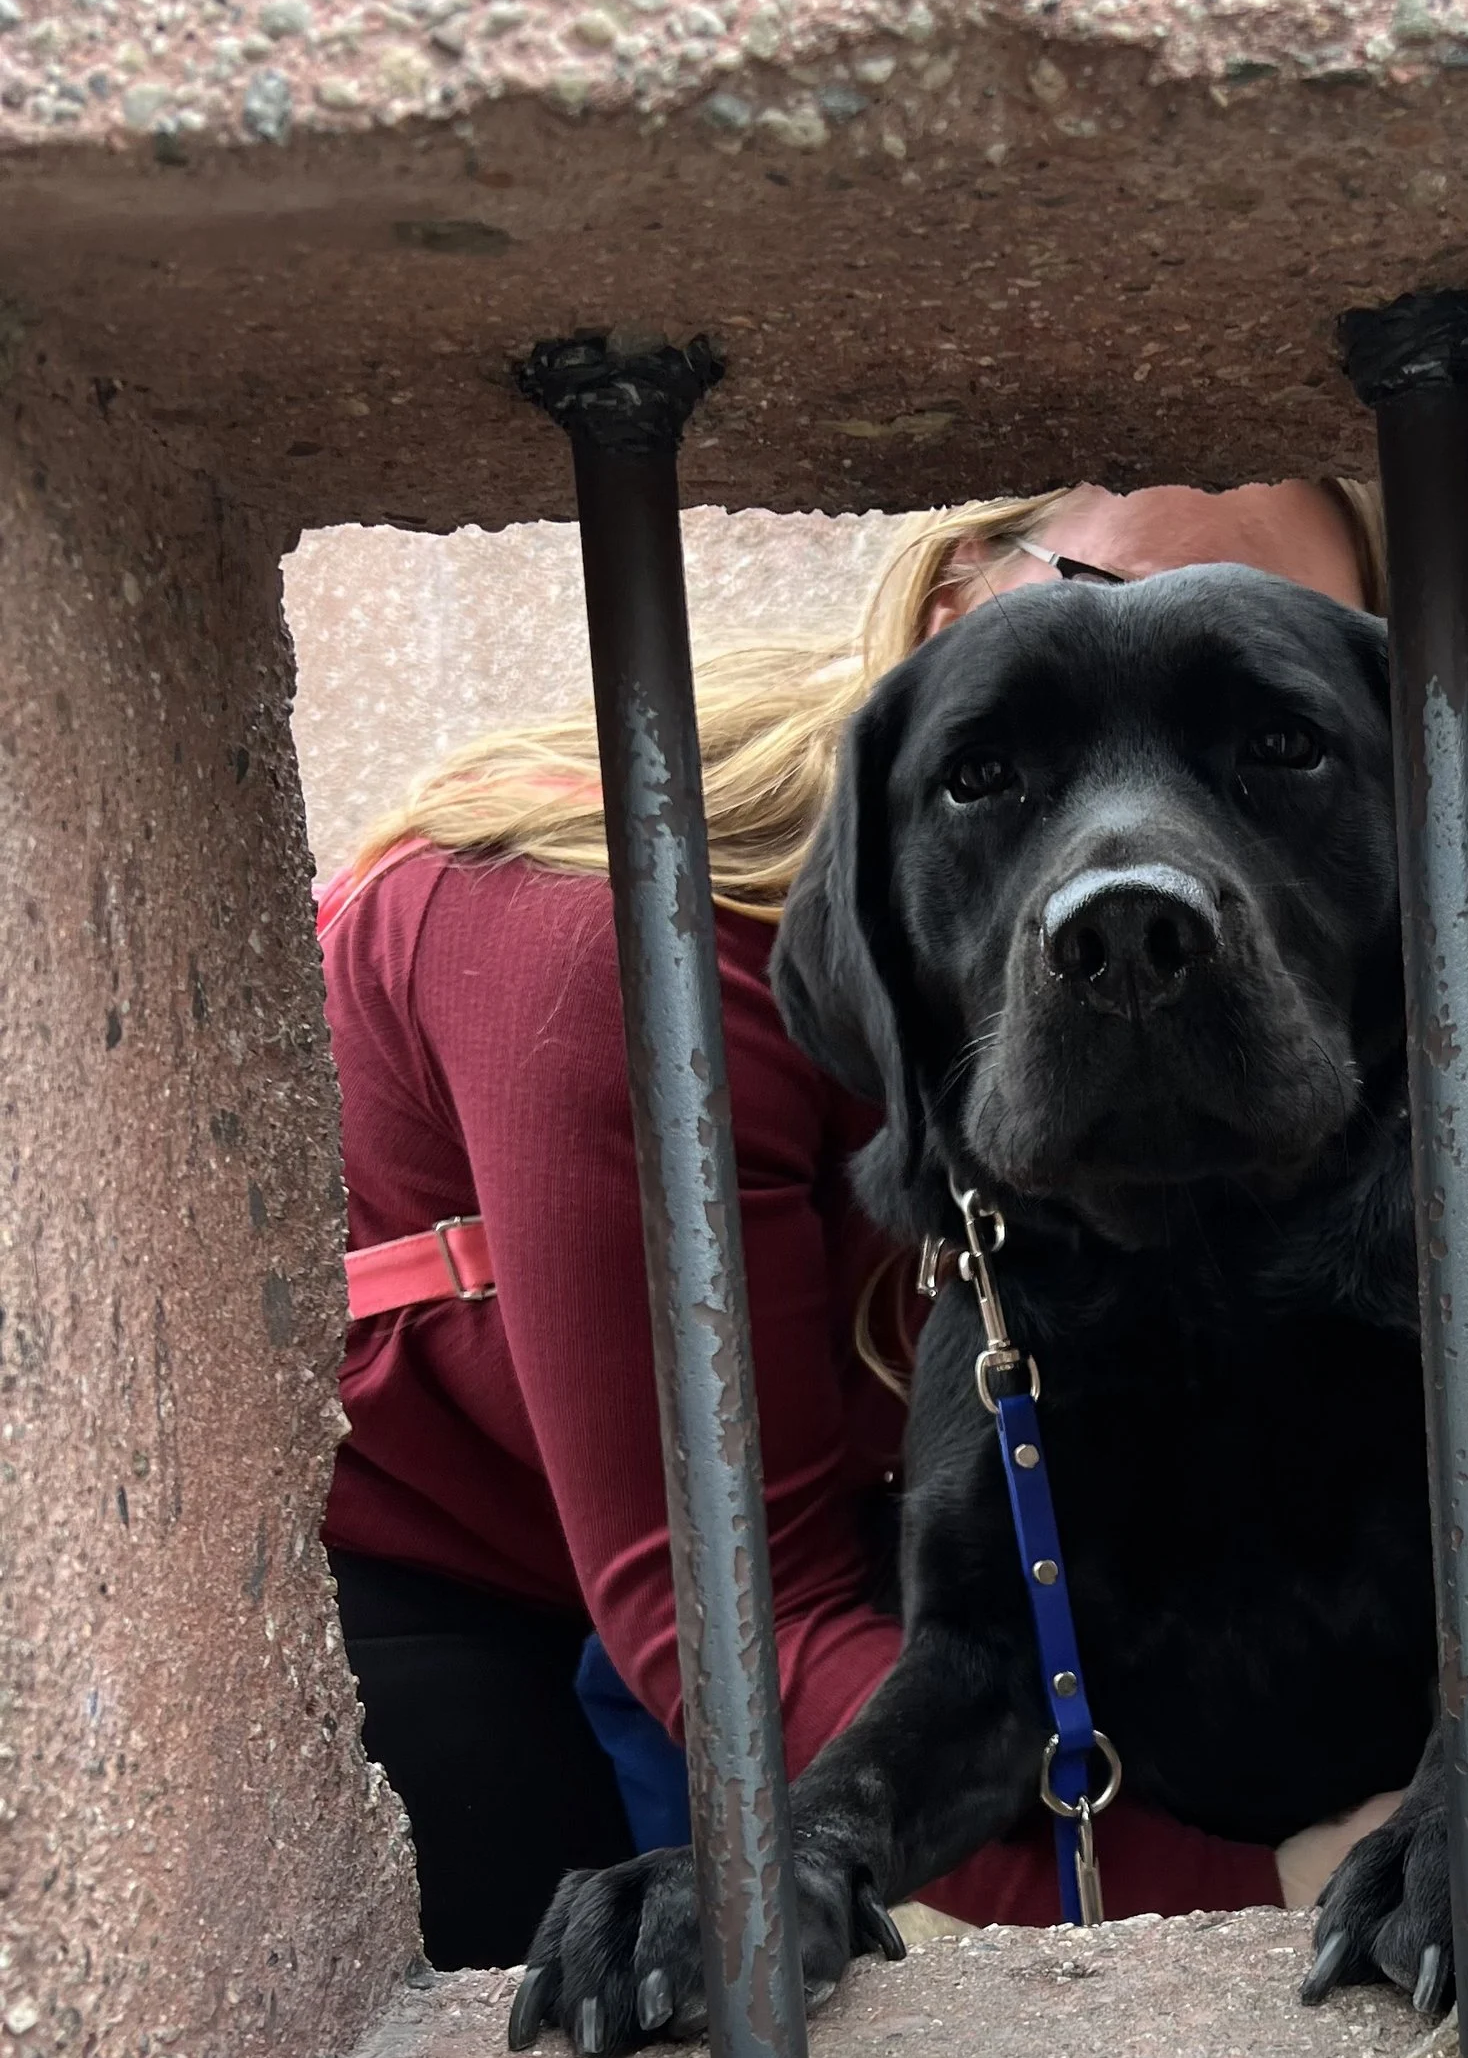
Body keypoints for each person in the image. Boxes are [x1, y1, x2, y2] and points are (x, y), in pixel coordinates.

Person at [318, 478, 1403, 1967]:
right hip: (426, 1558)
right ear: (961, 588)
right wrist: (1259, 1892)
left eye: (1268, 682)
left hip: (768, 1541)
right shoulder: (612, 947)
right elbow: (721, 1608)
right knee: (531, 2040)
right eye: (1140, 587)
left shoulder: (1153, 973)